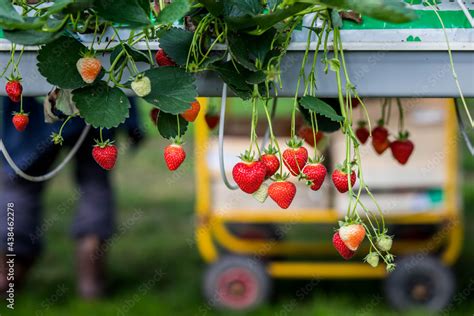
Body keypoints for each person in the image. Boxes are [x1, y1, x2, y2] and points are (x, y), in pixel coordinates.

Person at [0, 96, 143, 299]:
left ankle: (9, 275)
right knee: (95, 183)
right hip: (93, 99)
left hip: (32, 104)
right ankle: (91, 275)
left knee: (21, 185)